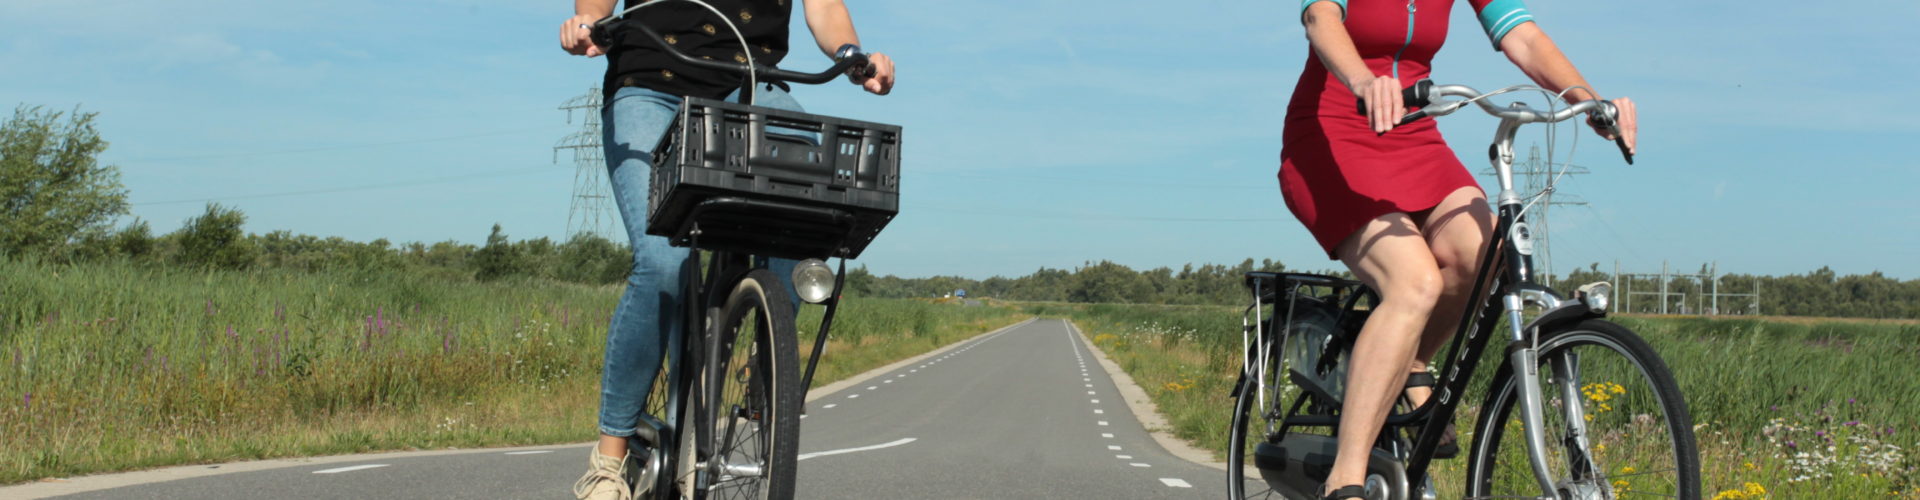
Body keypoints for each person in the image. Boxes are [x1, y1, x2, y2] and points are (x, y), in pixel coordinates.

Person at [1277, 0, 1636, 498]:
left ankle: (1411, 366)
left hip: (1413, 134)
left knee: (1486, 253)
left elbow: (1523, 36)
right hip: (1332, 133)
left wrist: (1589, 99)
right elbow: (1320, 18)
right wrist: (1362, 81)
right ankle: (1347, 476)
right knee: (1414, 281)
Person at [558, 1, 895, 499]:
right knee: (663, 261)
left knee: (810, 211)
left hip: (753, 88)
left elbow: (824, 7)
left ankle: (764, 361)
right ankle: (608, 461)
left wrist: (852, 53)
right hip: (651, 83)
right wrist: (588, 21)